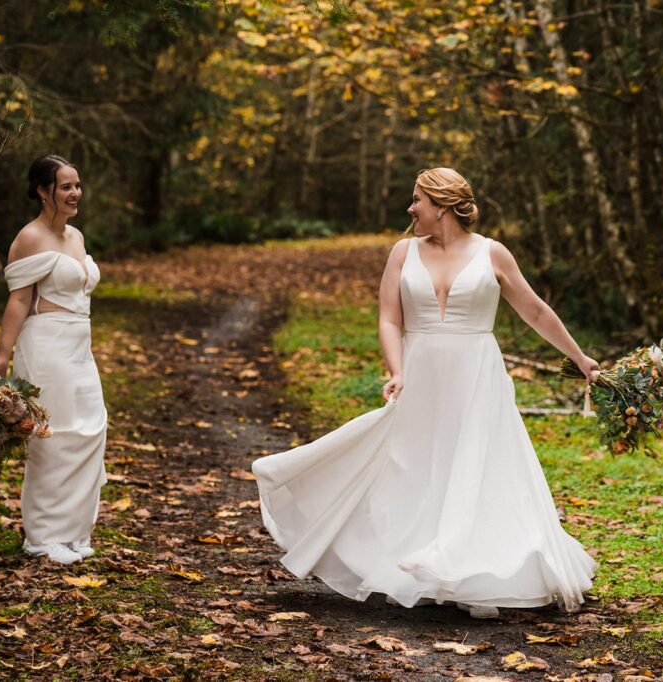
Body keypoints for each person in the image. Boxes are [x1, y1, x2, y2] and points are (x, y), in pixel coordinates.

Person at [252, 168, 599, 616]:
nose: (410, 208)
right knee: (412, 464)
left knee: (475, 465)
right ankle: (412, 556)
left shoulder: (493, 254)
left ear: (442, 206)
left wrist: (580, 357)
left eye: (417, 200)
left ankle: (473, 571)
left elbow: (534, 309)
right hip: (419, 375)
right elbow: (389, 318)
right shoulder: (403, 252)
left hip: (476, 375)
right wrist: (396, 370)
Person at [0, 154, 107, 565]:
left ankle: (74, 531)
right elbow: (19, 300)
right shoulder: (29, 238)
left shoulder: (77, 237)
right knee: (52, 437)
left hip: (79, 346)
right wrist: (4, 353)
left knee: (90, 431)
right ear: (42, 191)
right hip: (47, 347)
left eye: (77, 185)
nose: (75, 194)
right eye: (66, 186)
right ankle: (42, 535)